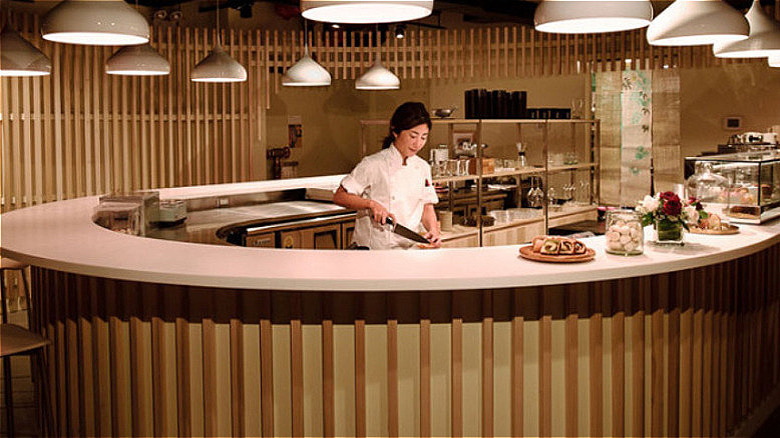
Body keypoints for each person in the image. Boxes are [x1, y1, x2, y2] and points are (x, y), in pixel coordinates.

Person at [333, 102, 441, 249]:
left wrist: (433, 230)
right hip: (375, 250)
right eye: (413, 136)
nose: (417, 144)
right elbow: (340, 196)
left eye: (423, 137)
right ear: (395, 131)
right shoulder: (373, 164)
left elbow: (426, 206)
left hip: (409, 248)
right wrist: (371, 204)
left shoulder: (422, 167)